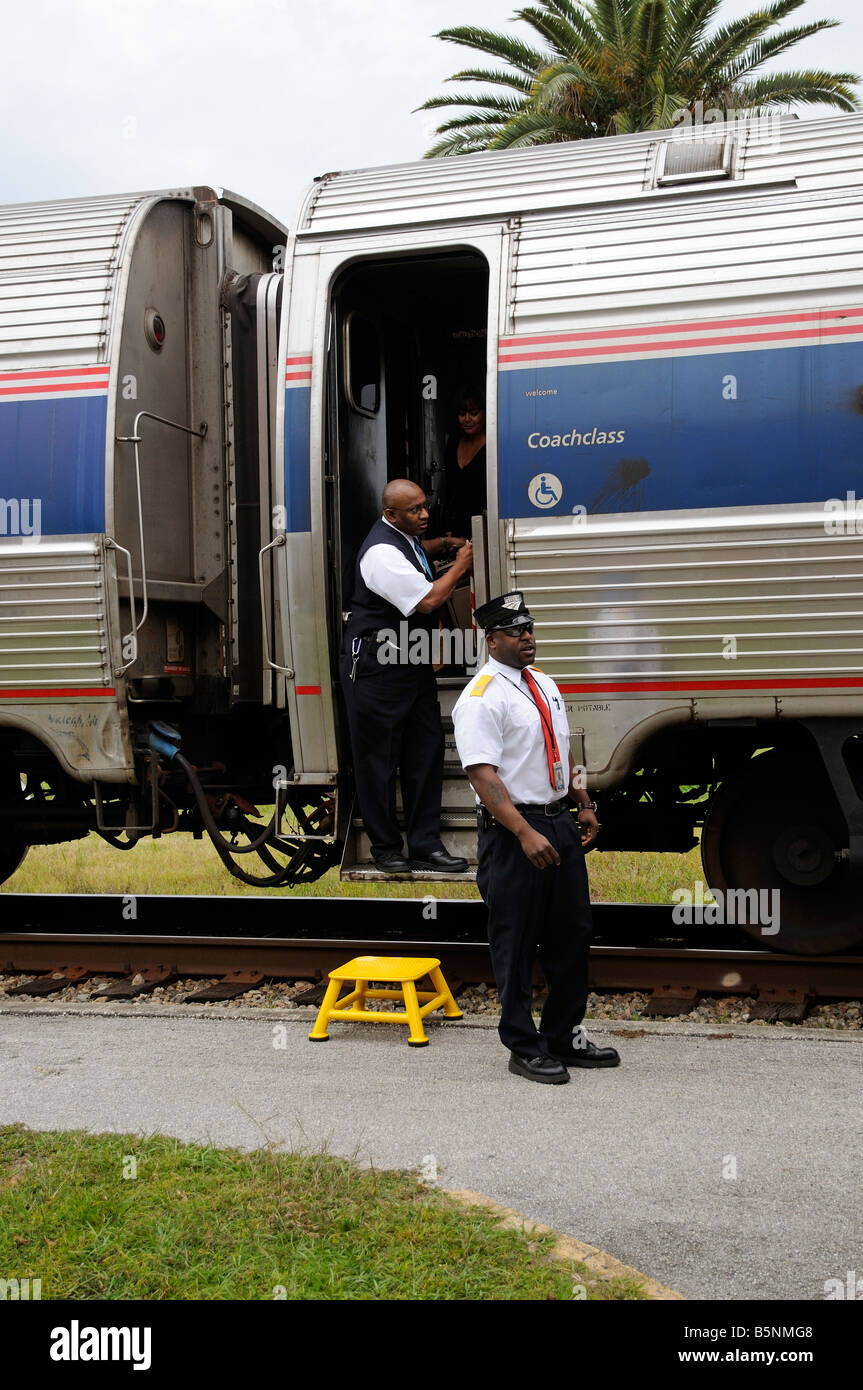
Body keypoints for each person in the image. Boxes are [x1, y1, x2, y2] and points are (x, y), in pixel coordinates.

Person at [452, 591, 620, 1083]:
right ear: (492, 640)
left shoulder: (543, 684)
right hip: (515, 833)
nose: (527, 637)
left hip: (558, 823)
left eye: (530, 628)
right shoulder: (482, 697)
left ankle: (563, 1035)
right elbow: (484, 776)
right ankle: (523, 1046)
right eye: (515, 630)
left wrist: (582, 803)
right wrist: (525, 833)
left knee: (573, 934)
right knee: (517, 941)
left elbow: (559, 750)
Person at [341, 479, 473, 874]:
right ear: (390, 515)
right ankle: (385, 849)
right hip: (376, 668)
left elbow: (415, 552)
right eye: (414, 510)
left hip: (409, 660)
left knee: (425, 753)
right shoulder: (380, 553)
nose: (425, 514)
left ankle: (425, 846)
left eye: (424, 505)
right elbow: (429, 599)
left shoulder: (403, 537)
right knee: (379, 761)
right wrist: (462, 565)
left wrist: (442, 544)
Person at [441, 386, 487, 542]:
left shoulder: (494, 445)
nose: (467, 419)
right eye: (462, 414)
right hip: (457, 527)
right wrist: (448, 527)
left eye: (474, 413)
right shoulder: (453, 443)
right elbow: (449, 489)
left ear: (485, 413)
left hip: (485, 525)